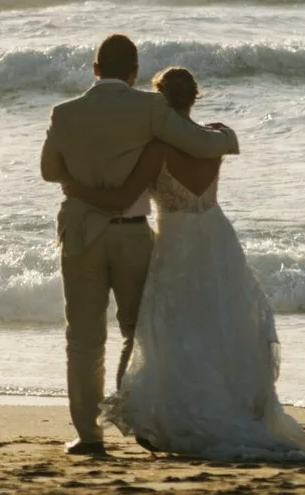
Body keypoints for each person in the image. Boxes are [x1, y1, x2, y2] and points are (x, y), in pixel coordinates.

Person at [60, 66, 305, 462]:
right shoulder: (214, 138)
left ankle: (171, 415)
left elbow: (120, 199)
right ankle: (230, 405)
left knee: (173, 329)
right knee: (220, 323)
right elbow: (225, 141)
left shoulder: (157, 148)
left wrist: (73, 185)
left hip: (177, 242)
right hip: (216, 237)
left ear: (159, 101)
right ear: (194, 97)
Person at [40, 34, 238, 456]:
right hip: (130, 231)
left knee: (83, 337)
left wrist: (79, 182)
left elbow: (48, 170)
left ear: (95, 69)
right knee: (136, 329)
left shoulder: (63, 112)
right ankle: (132, 413)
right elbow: (197, 144)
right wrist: (226, 139)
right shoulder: (149, 108)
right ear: (133, 73)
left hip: (79, 233)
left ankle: (89, 436)